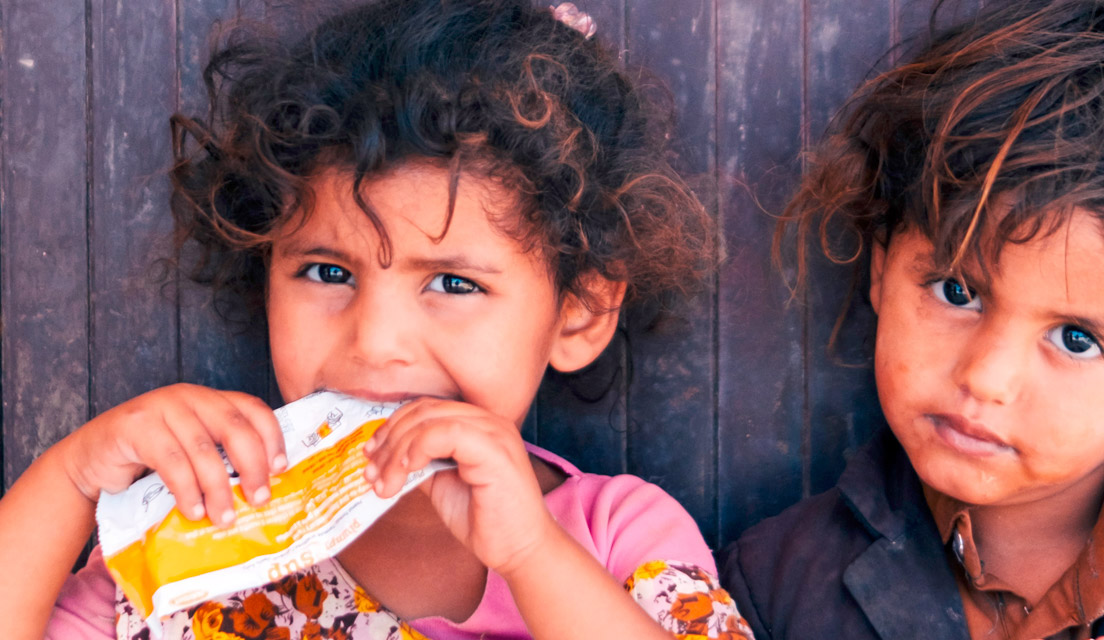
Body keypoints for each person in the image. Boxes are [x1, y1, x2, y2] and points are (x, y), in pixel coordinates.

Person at [0, 1, 754, 638]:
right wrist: (71, 480)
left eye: (454, 283)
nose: (376, 343)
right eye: (328, 273)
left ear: (579, 314)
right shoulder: (197, 523)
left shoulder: (615, 534)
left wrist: (531, 553)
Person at [718, 0, 1104, 638]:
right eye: (957, 291)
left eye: (1076, 339)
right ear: (881, 269)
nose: (986, 377)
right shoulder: (773, 586)